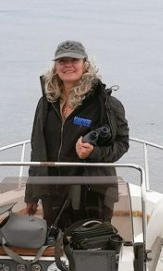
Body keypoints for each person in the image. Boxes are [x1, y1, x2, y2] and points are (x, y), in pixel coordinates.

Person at [25, 40, 129, 232]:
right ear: (55, 67)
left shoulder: (105, 104)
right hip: (53, 191)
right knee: (55, 243)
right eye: (62, 61)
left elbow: (122, 144)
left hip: (93, 192)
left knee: (91, 245)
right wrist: (32, 193)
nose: (68, 65)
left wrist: (94, 153)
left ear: (85, 64)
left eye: (74, 60)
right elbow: (37, 149)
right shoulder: (46, 103)